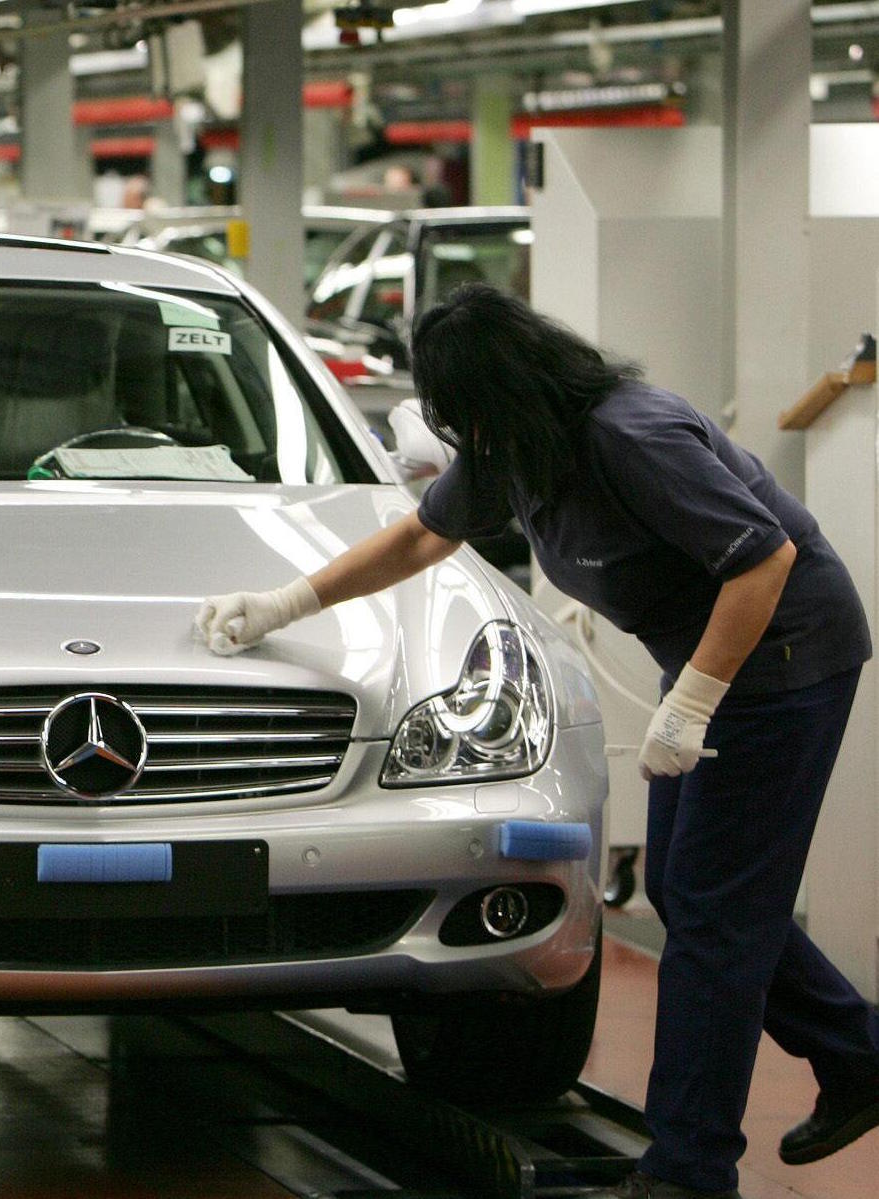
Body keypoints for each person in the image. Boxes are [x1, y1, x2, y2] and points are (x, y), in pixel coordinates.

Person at [198, 284, 879, 1199]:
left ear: (498, 390)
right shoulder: (509, 448)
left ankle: (688, 1171)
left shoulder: (629, 435)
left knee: (715, 921)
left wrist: (695, 703)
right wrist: (287, 602)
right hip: (717, 664)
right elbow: (419, 538)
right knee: (690, 889)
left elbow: (764, 559)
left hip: (785, 658)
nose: (455, 432)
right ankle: (859, 1055)